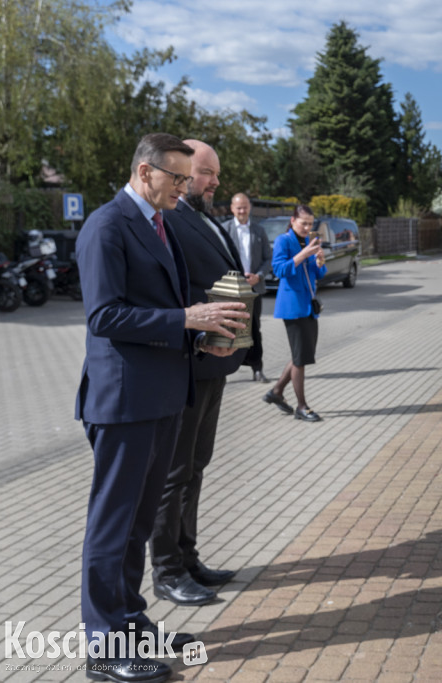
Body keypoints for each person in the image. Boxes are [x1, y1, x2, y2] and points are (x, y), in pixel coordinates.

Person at [76, 133, 248, 683]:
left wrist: (204, 336)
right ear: (146, 172)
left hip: (165, 395)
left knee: (137, 525)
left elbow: (166, 308)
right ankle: (105, 648)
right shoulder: (107, 225)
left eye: (185, 177)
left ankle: (130, 623)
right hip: (125, 402)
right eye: (176, 177)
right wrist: (186, 321)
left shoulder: (158, 224)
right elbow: (104, 317)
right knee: (113, 528)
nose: (184, 187)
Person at [150, 140, 247, 608]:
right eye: (205, 173)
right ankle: (166, 570)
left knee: (196, 466)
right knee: (174, 472)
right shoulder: (168, 218)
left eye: (211, 175)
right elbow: (168, 287)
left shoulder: (205, 216)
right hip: (187, 361)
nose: (212, 182)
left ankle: (188, 558)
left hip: (214, 361)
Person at [263, 204, 326, 422]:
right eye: (303, 223)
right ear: (293, 221)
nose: (307, 227)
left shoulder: (310, 241)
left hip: (309, 306)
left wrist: (319, 261)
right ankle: (302, 407)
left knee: (302, 354)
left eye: (311, 223)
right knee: (300, 358)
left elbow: (317, 274)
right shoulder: (284, 241)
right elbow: (279, 270)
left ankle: (277, 391)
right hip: (292, 307)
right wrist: (302, 255)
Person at [223, 192, 272, 382]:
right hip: (232, 289)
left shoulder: (259, 231)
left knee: (253, 329)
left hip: (254, 288)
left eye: (245, 207)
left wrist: (258, 276)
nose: (242, 211)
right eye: (238, 207)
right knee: (230, 329)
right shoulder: (224, 230)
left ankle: (257, 368)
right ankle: (225, 370)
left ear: (249, 208)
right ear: (232, 209)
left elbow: (268, 258)